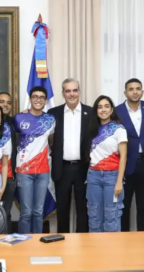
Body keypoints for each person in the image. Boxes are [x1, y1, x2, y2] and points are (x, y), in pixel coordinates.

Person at [47, 78, 92, 233]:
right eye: (68, 91)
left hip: (83, 169)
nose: (72, 94)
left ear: (79, 91)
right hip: (62, 168)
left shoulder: (91, 112)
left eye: (74, 90)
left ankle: (83, 246)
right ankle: (62, 243)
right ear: (63, 93)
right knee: (62, 210)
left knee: (83, 210)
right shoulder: (53, 113)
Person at [116, 78, 144, 231]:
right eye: (131, 89)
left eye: (138, 88)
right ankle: (124, 239)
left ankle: (143, 238)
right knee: (124, 206)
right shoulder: (117, 110)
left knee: (143, 206)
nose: (135, 91)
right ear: (125, 92)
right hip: (126, 163)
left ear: (142, 91)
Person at [13, 86, 55, 234]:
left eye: (41, 97)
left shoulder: (50, 119)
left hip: (43, 172)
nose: (38, 99)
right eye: (35, 96)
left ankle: (37, 243)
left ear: (45, 101)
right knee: (26, 212)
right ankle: (24, 243)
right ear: (30, 99)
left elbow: (55, 140)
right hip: (24, 172)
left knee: (38, 212)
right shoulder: (19, 118)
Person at [86, 95, 127, 232]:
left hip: (112, 176)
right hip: (93, 176)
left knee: (112, 215)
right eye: (99, 107)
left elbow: (124, 156)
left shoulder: (119, 129)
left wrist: (119, 181)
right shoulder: (92, 128)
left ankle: (112, 252)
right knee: (94, 215)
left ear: (111, 110)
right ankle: (95, 251)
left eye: (106, 106)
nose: (103, 110)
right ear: (96, 110)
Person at [0, 92, 17, 229]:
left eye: (8, 103)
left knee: (6, 212)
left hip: (9, 175)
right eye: (2, 101)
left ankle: (5, 245)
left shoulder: (13, 122)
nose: (5, 105)